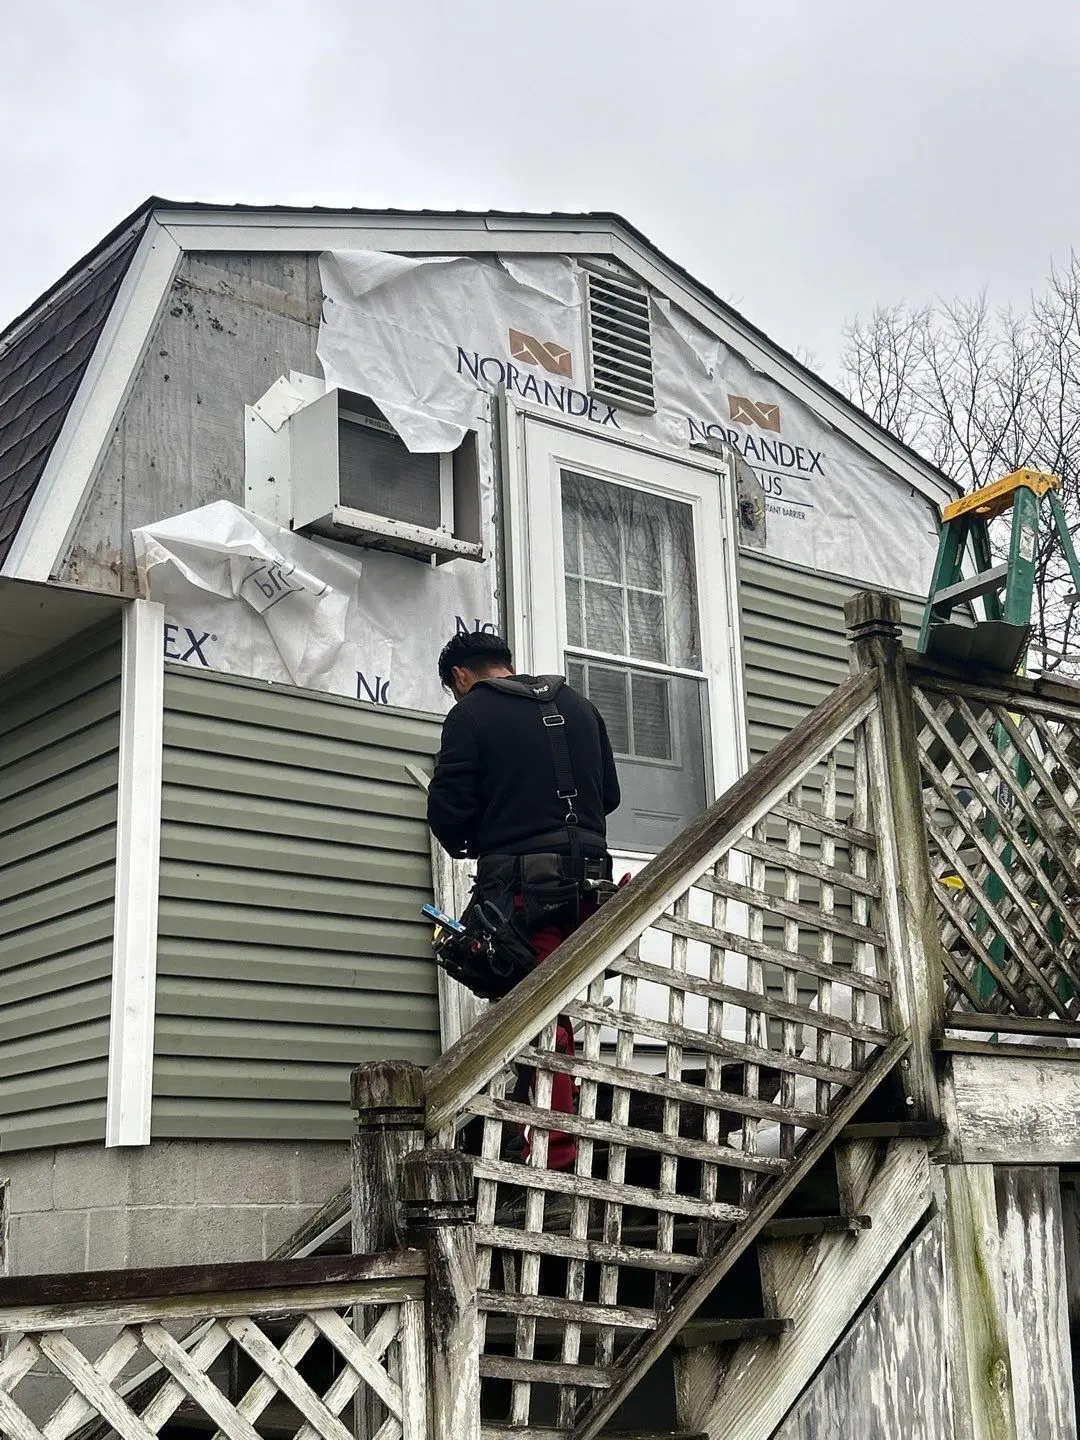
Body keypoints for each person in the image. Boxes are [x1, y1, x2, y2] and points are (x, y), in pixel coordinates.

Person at [427, 631, 621, 1172]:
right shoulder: (579, 706)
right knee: (551, 1003)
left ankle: (553, 1153)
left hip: (521, 887)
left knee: (530, 1008)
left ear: (461, 677)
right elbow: (609, 795)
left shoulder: (470, 714)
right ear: (506, 664)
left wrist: (476, 839)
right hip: (587, 883)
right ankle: (543, 1132)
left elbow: (448, 809)